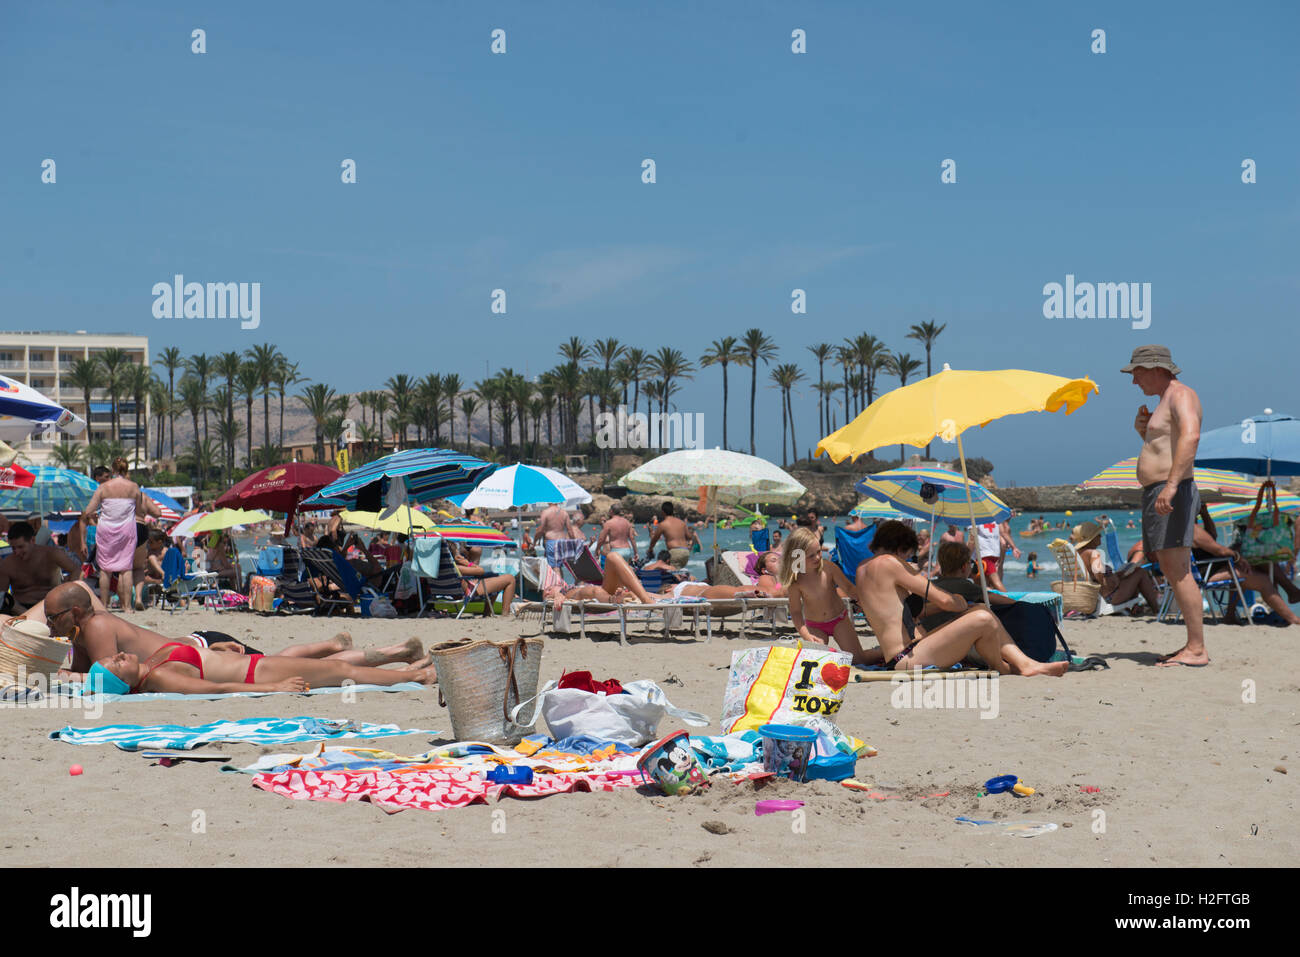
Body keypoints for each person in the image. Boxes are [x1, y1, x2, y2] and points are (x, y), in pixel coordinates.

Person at [38, 581, 427, 679]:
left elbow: (107, 674)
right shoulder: (86, 628)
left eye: (53, 618)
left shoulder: (98, 624)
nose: (51, 624)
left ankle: (393, 653)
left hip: (202, 648)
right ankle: (332, 643)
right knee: (275, 663)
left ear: (75, 612)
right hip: (197, 646)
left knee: (277, 666)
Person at [856, 520, 1067, 676]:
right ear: (900, 549)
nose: (908, 560)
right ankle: (1020, 665)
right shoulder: (889, 564)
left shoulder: (862, 569)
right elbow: (946, 601)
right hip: (907, 658)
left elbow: (902, 613)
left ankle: (1014, 665)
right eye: (908, 555)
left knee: (980, 613)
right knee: (982, 617)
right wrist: (959, 600)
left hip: (900, 654)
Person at [1127, 344, 1206, 666]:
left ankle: (1197, 649)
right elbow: (1167, 444)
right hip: (1159, 488)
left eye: (1137, 373)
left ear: (1157, 368)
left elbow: (1191, 437)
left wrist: (1171, 486)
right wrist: (1143, 433)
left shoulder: (1181, 394)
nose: (1134, 381)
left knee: (1179, 571)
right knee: (1173, 570)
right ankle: (1193, 645)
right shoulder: (1163, 401)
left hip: (1171, 488)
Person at [85, 642, 435, 696]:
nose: (118, 656)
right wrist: (275, 688)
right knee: (344, 671)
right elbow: (216, 690)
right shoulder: (159, 677)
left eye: (113, 656)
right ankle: (417, 675)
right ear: (125, 683)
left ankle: (411, 665)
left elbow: (198, 657)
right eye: (116, 665)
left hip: (251, 663)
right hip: (256, 674)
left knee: (337, 668)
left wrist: (217, 648)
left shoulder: (152, 661)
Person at [77, 458, 162, 613]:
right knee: (126, 569)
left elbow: (89, 510)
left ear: (113, 470)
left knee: (105, 569)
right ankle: (127, 607)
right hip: (127, 530)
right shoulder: (133, 487)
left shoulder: (104, 487)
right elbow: (137, 510)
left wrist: (96, 514)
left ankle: (104, 606)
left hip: (106, 529)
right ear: (126, 469)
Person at [779, 527, 873, 663]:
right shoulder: (796, 581)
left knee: (858, 659)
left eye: (818, 552)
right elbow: (795, 612)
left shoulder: (828, 568)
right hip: (814, 625)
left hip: (839, 620)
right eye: (811, 555)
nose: (818, 557)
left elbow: (849, 588)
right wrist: (805, 635)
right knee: (816, 661)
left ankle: (884, 653)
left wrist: (866, 601)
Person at [1194, 504, 1300, 626]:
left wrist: (1205, 513)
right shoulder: (1193, 530)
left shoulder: (1185, 528)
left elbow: (1212, 536)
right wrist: (1237, 556)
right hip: (1204, 574)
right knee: (1262, 579)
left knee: (1252, 559)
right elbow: (1220, 550)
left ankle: (1230, 615)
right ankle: (1293, 617)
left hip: (1206, 568)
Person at [917, 541, 1014, 636]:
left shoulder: (930, 585)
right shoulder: (963, 585)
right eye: (970, 563)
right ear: (964, 567)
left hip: (927, 634)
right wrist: (1019, 603)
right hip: (950, 637)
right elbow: (1004, 601)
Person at [1071, 521, 1161, 614]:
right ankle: (1156, 610)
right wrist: (1114, 581)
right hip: (1109, 597)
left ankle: (1136, 608)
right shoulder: (1093, 553)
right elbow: (1100, 578)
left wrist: (1117, 576)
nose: (1101, 536)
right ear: (1092, 538)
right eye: (1098, 535)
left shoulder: (1078, 554)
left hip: (1094, 597)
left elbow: (1094, 576)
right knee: (1140, 572)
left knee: (1133, 573)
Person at [0, 521, 83, 613]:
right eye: (13, 548)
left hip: (53, 606)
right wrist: (24, 613)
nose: (17, 552)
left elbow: (76, 570)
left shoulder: (52, 554)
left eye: (20, 547)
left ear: (32, 540)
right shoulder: (7, 564)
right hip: (22, 609)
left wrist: (67, 593)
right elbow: (2, 595)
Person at [450, 543, 516, 615]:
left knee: (494, 577)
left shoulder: (442, 567)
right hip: (468, 591)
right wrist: (465, 562)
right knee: (510, 579)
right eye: (457, 550)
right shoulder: (457, 568)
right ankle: (505, 614)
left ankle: (487, 613)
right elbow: (481, 571)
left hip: (453, 592)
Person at [648, 501, 698, 569]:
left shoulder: (663, 524)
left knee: (671, 573)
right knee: (676, 572)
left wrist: (650, 549)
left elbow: (654, 539)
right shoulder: (681, 523)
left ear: (663, 512)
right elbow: (689, 537)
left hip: (675, 552)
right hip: (685, 552)